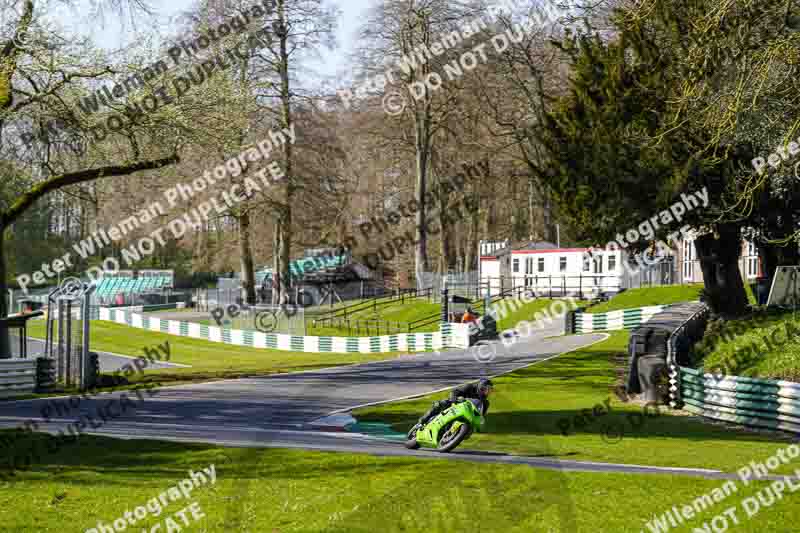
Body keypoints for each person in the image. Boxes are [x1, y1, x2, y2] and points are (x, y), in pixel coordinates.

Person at [417, 378, 493, 426]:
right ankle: (423, 420)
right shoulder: (469, 387)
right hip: (455, 404)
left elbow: (481, 416)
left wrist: (479, 422)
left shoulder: (485, 403)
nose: (486, 392)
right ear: (481, 387)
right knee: (440, 404)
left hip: (467, 415)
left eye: (489, 390)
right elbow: (455, 391)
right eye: (486, 389)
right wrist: (454, 398)